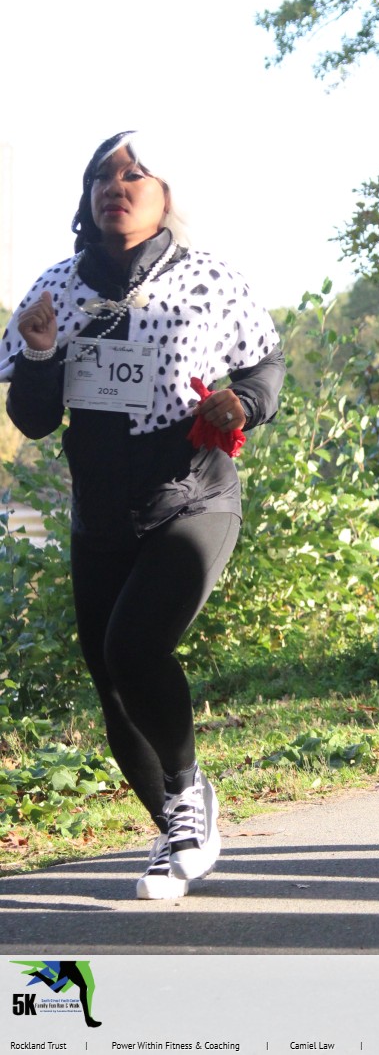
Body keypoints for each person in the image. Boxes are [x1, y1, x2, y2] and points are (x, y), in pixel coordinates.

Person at [0, 132, 285, 900]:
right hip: (100, 516)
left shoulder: (207, 279)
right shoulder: (55, 289)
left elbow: (265, 363)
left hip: (193, 496)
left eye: (134, 173)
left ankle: (189, 800)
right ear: (87, 197)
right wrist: (39, 354)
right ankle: (176, 829)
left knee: (134, 647)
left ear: (166, 196)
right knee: (112, 681)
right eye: (102, 175)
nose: (115, 185)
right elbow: (33, 421)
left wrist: (244, 401)